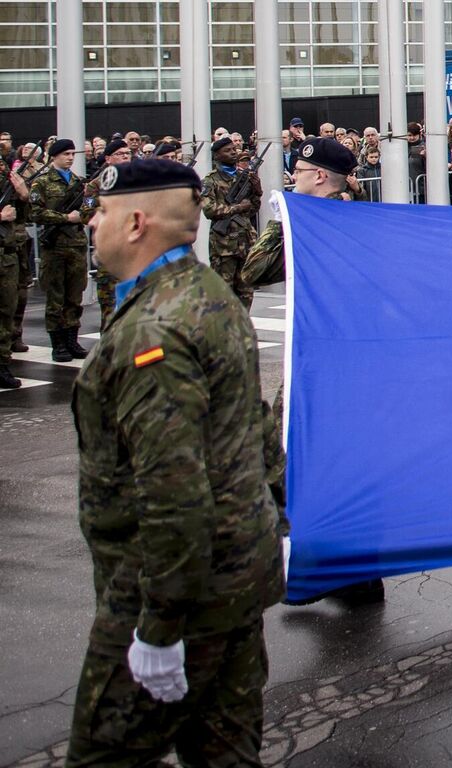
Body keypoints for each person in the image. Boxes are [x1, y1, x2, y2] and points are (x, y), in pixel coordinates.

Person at [65, 157, 283, 766]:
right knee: (225, 756)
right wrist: (277, 524)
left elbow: (174, 495)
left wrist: (158, 628)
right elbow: (257, 427)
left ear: (136, 223)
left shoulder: (155, 329)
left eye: (102, 211)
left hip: (175, 597)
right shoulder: (209, 295)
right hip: (233, 583)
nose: (92, 223)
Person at [242, 139, 385, 607]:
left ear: (320, 176)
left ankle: (327, 570)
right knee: (344, 462)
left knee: (291, 454)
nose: (294, 177)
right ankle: (356, 576)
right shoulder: (359, 216)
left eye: (300, 171)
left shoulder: (313, 222)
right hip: (353, 359)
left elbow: (252, 271)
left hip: (325, 362)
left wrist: (283, 221)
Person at [28, 139, 91, 361]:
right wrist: (65, 218)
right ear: (54, 156)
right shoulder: (42, 182)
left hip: (76, 245)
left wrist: (83, 213)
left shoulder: (79, 182)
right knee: (55, 297)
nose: (70, 158)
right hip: (54, 247)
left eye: (72, 154)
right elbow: (35, 213)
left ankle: (72, 339)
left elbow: (88, 207)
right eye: (66, 154)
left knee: (75, 295)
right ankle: (58, 344)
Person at [200, 137, 262, 308]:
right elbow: (209, 210)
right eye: (227, 150)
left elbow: (252, 210)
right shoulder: (210, 180)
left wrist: (257, 192)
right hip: (223, 246)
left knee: (246, 292)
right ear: (217, 156)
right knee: (222, 293)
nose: (233, 153)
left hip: (245, 242)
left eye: (234, 149)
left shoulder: (244, 177)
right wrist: (237, 207)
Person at [84, 139, 137, 324]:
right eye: (120, 154)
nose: (125, 157)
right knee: (110, 310)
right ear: (108, 159)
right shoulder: (96, 185)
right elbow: (86, 214)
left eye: (127, 153)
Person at [0, 161, 24, 387]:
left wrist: (24, 195)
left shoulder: (5, 182)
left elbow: (26, 216)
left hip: (7, 257)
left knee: (7, 311)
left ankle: (2, 364)